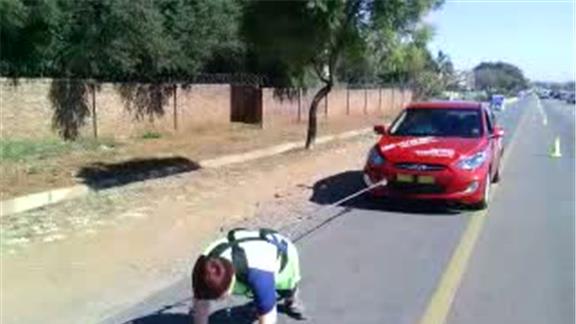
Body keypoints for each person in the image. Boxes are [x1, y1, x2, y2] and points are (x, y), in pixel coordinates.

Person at [191, 228, 306, 324]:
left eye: (219, 297)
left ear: (232, 281)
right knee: (259, 295)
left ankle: (291, 302)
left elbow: (268, 318)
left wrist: (265, 306)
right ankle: (259, 301)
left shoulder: (260, 275)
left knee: (287, 289)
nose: (216, 301)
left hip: (282, 257)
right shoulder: (202, 268)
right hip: (244, 248)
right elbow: (200, 301)